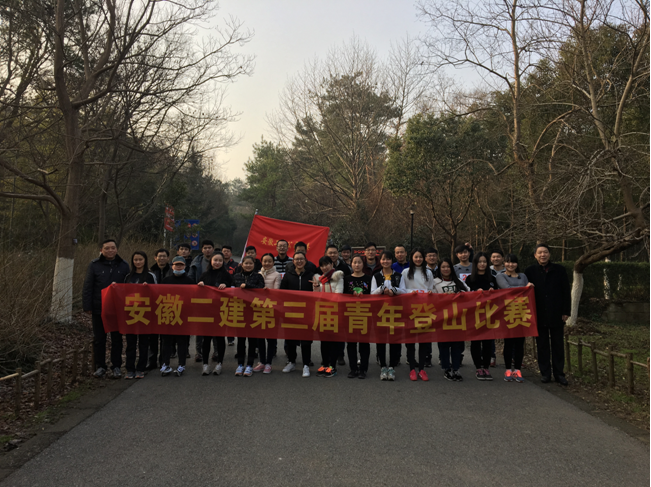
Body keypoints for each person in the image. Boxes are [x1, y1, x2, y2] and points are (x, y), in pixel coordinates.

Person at [83, 239, 130, 379]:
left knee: (117, 339)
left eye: (113, 248)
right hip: (99, 308)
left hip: (117, 309)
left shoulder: (124, 265)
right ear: (101, 250)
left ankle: (116, 366)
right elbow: (88, 286)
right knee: (100, 339)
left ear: (117, 249)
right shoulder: (94, 265)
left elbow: (129, 287)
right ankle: (101, 366)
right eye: (107, 248)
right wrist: (87, 306)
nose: (110, 250)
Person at [525, 243, 571, 386]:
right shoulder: (530, 271)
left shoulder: (559, 270)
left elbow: (566, 291)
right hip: (538, 314)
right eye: (539, 253)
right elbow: (523, 291)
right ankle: (545, 373)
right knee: (542, 345)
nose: (542, 255)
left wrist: (566, 311)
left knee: (558, 345)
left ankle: (559, 374)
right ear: (535, 255)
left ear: (549, 254)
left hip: (556, 312)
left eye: (545, 252)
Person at [497, 254, 534, 383]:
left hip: (521, 312)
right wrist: (525, 288)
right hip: (508, 312)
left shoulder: (523, 276)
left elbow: (527, 293)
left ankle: (517, 370)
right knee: (508, 342)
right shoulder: (500, 276)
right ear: (504, 263)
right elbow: (507, 290)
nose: (510, 265)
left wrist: (526, 289)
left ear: (517, 264)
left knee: (519, 343)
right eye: (507, 262)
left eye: (513, 262)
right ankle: (508, 369)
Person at [397, 249, 434, 381]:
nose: (418, 259)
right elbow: (402, 290)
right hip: (410, 310)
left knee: (423, 340)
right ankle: (412, 368)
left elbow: (431, 288)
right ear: (412, 258)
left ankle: (422, 369)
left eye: (420, 257)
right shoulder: (406, 272)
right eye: (416, 257)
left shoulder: (428, 272)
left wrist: (429, 293)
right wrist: (411, 292)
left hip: (424, 309)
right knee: (411, 341)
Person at [197, 252, 233, 376]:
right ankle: (205, 364)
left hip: (221, 311)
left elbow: (232, 290)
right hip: (207, 311)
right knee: (206, 338)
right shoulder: (204, 275)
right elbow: (198, 293)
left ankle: (219, 363)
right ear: (211, 261)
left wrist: (226, 286)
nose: (217, 263)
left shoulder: (226, 275)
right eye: (215, 260)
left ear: (223, 262)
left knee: (220, 338)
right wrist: (200, 285)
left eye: (220, 260)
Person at [433, 257, 469, 382]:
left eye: (448, 267)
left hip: (457, 318)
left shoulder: (458, 281)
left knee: (457, 345)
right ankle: (446, 368)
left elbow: (469, 293)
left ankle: (456, 368)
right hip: (442, 319)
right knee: (444, 344)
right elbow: (430, 298)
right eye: (443, 267)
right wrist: (443, 297)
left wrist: (463, 294)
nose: (446, 269)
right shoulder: (435, 282)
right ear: (439, 269)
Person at [280, 251, 315, 377]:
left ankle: (306, 364)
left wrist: (317, 287)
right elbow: (282, 292)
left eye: (301, 259)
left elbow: (316, 293)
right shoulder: (288, 275)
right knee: (290, 338)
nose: (299, 261)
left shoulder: (311, 275)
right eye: (296, 259)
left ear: (305, 261)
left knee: (306, 340)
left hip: (307, 312)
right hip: (291, 312)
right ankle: (292, 362)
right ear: (293, 261)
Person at [122, 251, 156, 379]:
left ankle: (141, 368)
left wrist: (148, 288)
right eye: (135, 260)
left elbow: (157, 293)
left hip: (145, 314)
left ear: (145, 260)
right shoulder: (128, 276)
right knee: (130, 343)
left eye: (140, 259)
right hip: (131, 313)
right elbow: (122, 293)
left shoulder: (150, 276)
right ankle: (129, 369)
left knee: (143, 343)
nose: (138, 262)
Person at [465, 252, 498, 381]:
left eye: (484, 261)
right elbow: (465, 296)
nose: (482, 264)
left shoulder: (492, 279)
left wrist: (493, 293)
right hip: (475, 314)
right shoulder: (470, 279)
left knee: (488, 341)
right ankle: (478, 367)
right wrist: (475, 293)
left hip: (489, 314)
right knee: (476, 341)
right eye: (479, 262)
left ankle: (486, 367)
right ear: (475, 263)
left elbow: (499, 296)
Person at [159, 257, 194, 377]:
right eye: (176, 265)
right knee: (166, 341)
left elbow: (194, 297)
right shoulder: (166, 280)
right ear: (172, 266)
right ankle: (165, 363)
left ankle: (181, 364)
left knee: (182, 341)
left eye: (181, 265)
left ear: (185, 266)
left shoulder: (190, 281)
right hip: (168, 314)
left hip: (183, 315)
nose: (178, 267)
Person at [232, 256, 266, 376]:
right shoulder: (236, 276)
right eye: (246, 263)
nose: (248, 265)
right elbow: (231, 289)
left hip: (254, 311)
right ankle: (240, 364)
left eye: (250, 263)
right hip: (239, 311)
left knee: (252, 340)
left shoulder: (258, 276)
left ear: (254, 264)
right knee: (241, 340)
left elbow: (261, 289)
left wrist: (247, 286)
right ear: (242, 264)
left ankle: (250, 365)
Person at [371, 250, 402, 381]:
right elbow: (372, 293)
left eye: (388, 259)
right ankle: (383, 365)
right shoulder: (376, 276)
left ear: (392, 261)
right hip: (380, 312)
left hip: (395, 311)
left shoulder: (398, 276)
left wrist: (394, 291)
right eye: (383, 259)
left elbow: (404, 290)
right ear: (380, 261)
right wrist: (381, 289)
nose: (385, 261)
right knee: (381, 339)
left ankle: (392, 366)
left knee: (394, 339)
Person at [313, 256, 344, 378]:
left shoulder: (338, 277)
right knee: (324, 340)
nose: (324, 267)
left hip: (334, 313)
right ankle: (325, 364)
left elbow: (338, 294)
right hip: (322, 313)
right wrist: (316, 288)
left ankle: (333, 366)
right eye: (322, 265)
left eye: (326, 264)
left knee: (333, 340)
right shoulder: (319, 279)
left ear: (332, 264)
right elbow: (316, 297)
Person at [343, 255, 373, 379]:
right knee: (351, 343)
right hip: (350, 314)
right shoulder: (346, 279)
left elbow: (373, 295)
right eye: (354, 262)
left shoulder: (369, 278)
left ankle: (363, 369)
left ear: (363, 264)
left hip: (365, 314)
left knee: (364, 343)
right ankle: (353, 369)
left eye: (359, 262)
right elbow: (342, 295)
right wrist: (351, 293)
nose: (357, 265)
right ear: (351, 264)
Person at [188, 240, 216, 361]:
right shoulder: (196, 263)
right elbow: (190, 278)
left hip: (215, 300)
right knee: (200, 326)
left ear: (213, 249)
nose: (207, 250)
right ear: (202, 249)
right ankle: (198, 352)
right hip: (199, 299)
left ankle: (216, 351)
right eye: (205, 248)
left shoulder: (217, 261)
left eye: (209, 247)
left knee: (215, 326)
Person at [255, 253, 281, 373]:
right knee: (260, 338)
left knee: (271, 338)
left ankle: (269, 363)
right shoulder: (257, 274)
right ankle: (262, 361)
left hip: (271, 309)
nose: (267, 263)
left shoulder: (277, 275)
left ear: (273, 262)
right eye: (265, 261)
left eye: (269, 261)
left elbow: (276, 291)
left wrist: (267, 292)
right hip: (258, 309)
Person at [147, 248, 171, 370]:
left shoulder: (172, 271)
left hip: (167, 306)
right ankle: (151, 361)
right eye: (159, 256)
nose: (162, 258)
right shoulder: (149, 272)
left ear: (168, 258)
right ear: (155, 258)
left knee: (165, 337)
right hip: (152, 307)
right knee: (152, 336)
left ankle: (164, 360)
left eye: (164, 256)